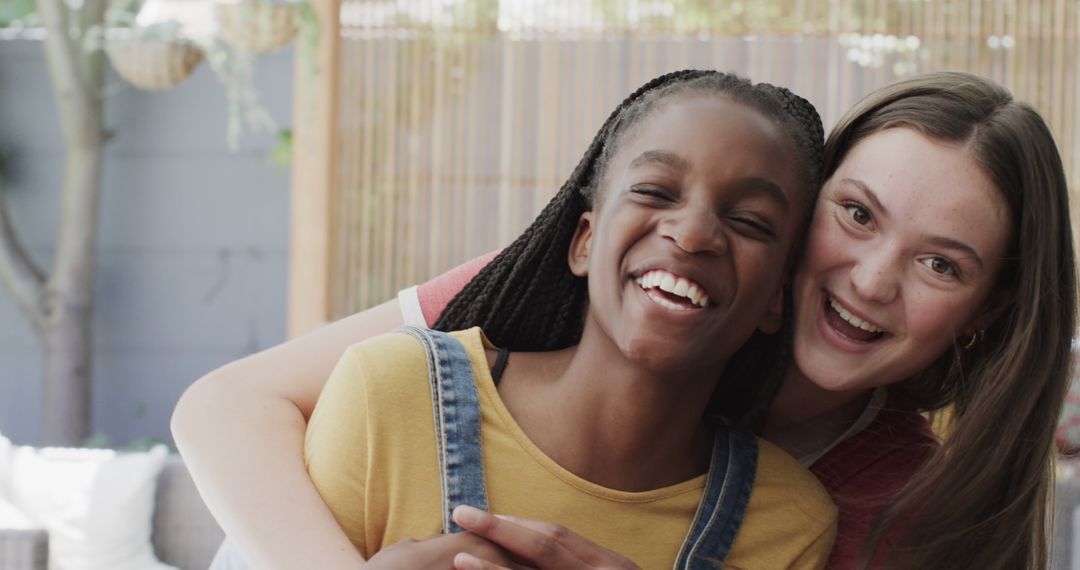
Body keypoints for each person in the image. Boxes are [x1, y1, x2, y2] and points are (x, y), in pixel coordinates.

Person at [173, 71, 1076, 569]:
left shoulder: (875, 513)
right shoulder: (569, 290)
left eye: (939, 263)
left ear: (985, 310)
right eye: (857, 214)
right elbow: (225, 407)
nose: (873, 278)